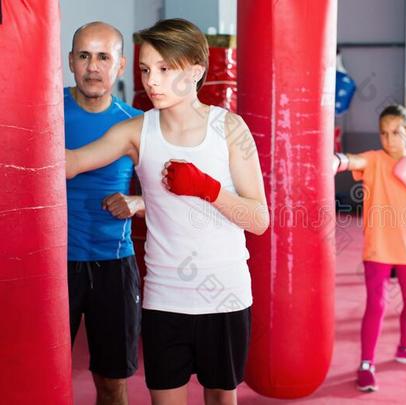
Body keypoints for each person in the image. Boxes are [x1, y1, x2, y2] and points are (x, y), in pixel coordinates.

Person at [66, 18, 269, 405]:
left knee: (220, 399)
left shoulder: (230, 128)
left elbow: (259, 219)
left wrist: (207, 189)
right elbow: (71, 163)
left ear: (195, 71)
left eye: (163, 69)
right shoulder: (136, 130)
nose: (151, 81)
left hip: (224, 295)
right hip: (165, 298)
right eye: (145, 70)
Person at [334, 105, 406, 393]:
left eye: (395, 132)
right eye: (383, 133)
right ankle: (366, 363)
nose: (389, 139)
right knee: (377, 305)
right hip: (379, 246)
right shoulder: (374, 160)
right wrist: (336, 160)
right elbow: (354, 161)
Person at [65, 21, 144, 405]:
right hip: (49, 267)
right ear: (70, 62)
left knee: (112, 383)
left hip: (112, 264)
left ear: (120, 65)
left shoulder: (134, 123)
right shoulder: (43, 112)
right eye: (84, 56)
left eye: (102, 57)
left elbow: (172, 191)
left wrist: (138, 202)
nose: (92, 67)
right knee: (33, 375)